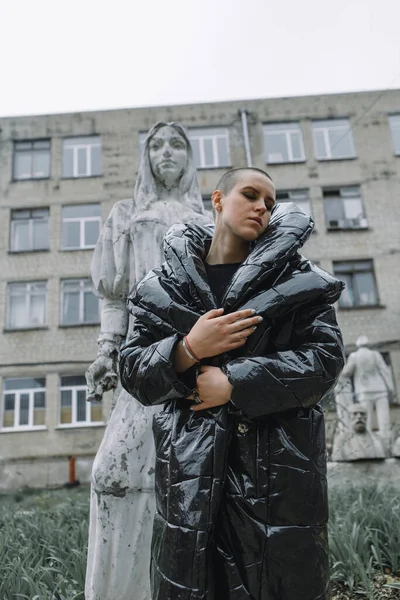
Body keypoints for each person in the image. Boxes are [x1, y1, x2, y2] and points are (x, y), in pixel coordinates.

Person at [120, 167, 346, 600]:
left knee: (278, 584)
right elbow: (132, 369)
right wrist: (187, 348)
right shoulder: (163, 284)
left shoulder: (297, 278)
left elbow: (325, 358)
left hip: (279, 470)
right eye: (251, 194)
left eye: (271, 202)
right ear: (219, 199)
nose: (262, 206)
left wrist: (234, 384)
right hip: (187, 469)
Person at [85, 122, 212, 600]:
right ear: (145, 157)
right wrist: (106, 349)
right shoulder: (127, 214)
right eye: (156, 145)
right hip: (144, 361)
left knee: (196, 489)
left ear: (190, 156)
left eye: (177, 144)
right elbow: (114, 293)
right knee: (114, 475)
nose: (166, 153)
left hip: (202, 364)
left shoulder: (210, 222)